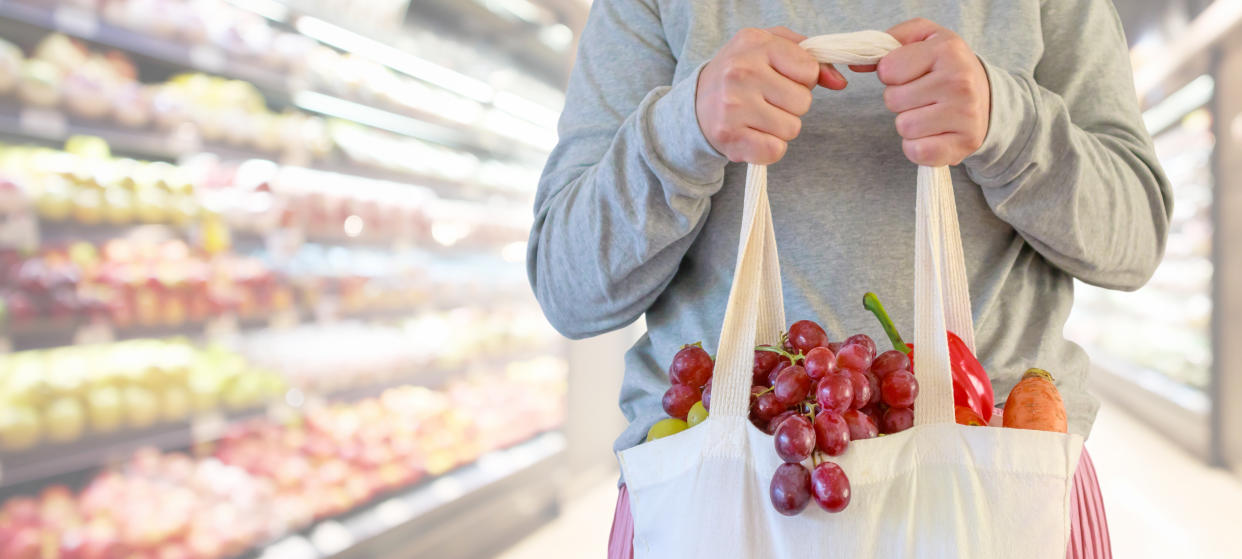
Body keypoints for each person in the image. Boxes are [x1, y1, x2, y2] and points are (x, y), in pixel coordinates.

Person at [527, 1, 1170, 557]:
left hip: (1000, 473)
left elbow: (1133, 241)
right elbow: (570, 285)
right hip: (719, 488)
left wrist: (1011, 123)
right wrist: (683, 129)